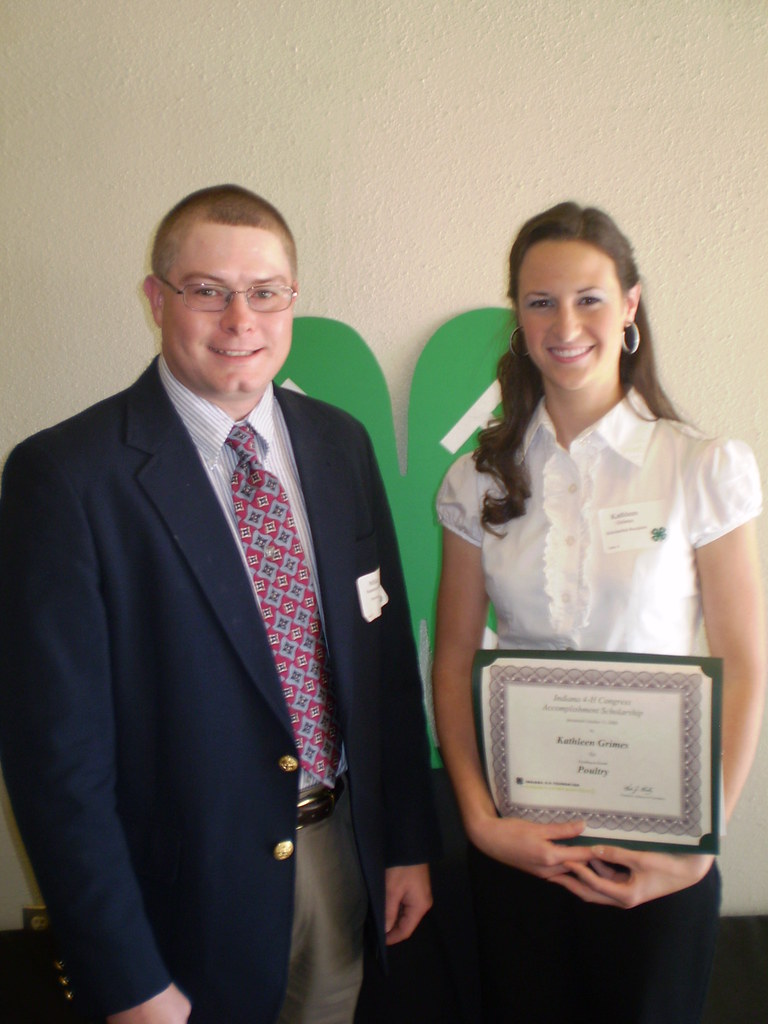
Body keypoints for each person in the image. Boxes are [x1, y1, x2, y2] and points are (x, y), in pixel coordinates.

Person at [0, 184, 439, 1024]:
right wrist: (122, 971)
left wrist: (406, 846)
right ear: (155, 299)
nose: (241, 318)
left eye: (265, 292)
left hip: (340, 855)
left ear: (292, 302)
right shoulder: (66, 477)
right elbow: (56, 761)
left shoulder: (340, 443)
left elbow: (382, 670)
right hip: (176, 899)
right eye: (207, 289)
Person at [433, 202, 765, 1024]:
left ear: (630, 306)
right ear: (518, 316)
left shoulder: (700, 467)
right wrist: (479, 821)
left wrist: (697, 847)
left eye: (588, 298)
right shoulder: (478, 479)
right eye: (540, 301)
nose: (565, 323)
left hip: (659, 851)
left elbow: (745, 661)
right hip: (520, 846)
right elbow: (450, 661)